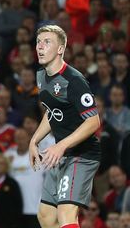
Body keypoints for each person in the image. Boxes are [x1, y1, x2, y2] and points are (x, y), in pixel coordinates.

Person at [29, 24, 101, 228]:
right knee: (45, 216)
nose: (40, 47)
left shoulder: (74, 80)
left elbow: (93, 121)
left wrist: (61, 145)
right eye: (38, 42)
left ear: (60, 49)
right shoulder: (41, 76)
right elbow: (52, 112)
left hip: (82, 155)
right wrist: (34, 140)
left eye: (47, 42)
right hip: (61, 155)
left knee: (65, 213)